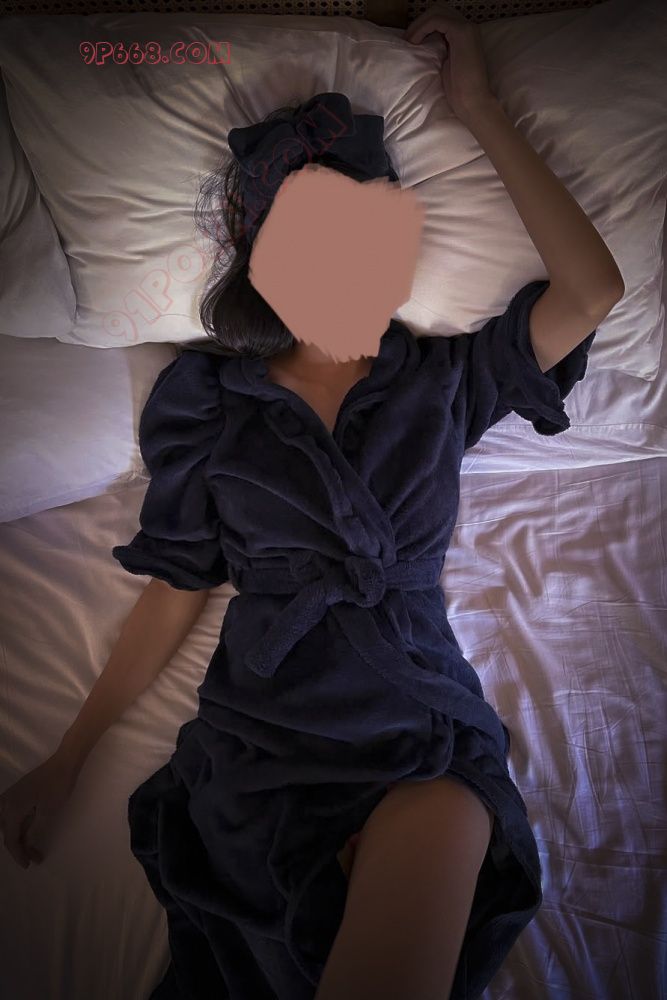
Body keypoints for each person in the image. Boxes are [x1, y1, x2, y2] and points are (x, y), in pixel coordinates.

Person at [0, 5, 624, 999]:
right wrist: (68, 757)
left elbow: (590, 292)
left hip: (419, 722)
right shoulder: (208, 403)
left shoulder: (441, 382)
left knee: (449, 819)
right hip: (269, 730)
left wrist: (477, 107)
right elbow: (177, 582)